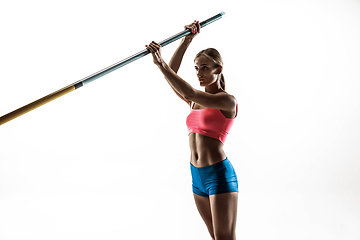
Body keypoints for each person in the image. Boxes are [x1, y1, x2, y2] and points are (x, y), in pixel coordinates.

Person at [146, 20, 238, 240]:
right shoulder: (194, 103)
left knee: (224, 237)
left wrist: (160, 64)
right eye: (196, 68)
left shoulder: (227, 101)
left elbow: (190, 91)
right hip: (196, 174)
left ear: (219, 69)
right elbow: (174, 75)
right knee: (214, 237)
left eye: (204, 68)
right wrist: (187, 39)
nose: (199, 73)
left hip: (219, 175)